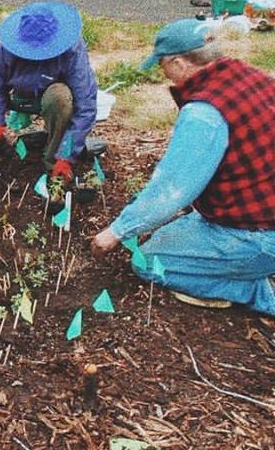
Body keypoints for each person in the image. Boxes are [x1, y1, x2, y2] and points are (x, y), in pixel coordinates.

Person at [92, 19, 275, 315]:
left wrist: (116, 232)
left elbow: (172, 189)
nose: (161, 71)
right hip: (258, 211)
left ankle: (254, 290)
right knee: (164, 236)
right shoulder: (251, 77)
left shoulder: (204, 113)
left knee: (148, 262)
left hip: (256, 234)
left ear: (178, 62)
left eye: (162, 64)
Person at [0, 0, 98, 180]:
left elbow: (85, 105)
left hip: (51, 101)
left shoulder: (71, 51)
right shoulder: (9, 48)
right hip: (16, 95)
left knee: (61, 96)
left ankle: (53, 162)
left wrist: (66, 155)